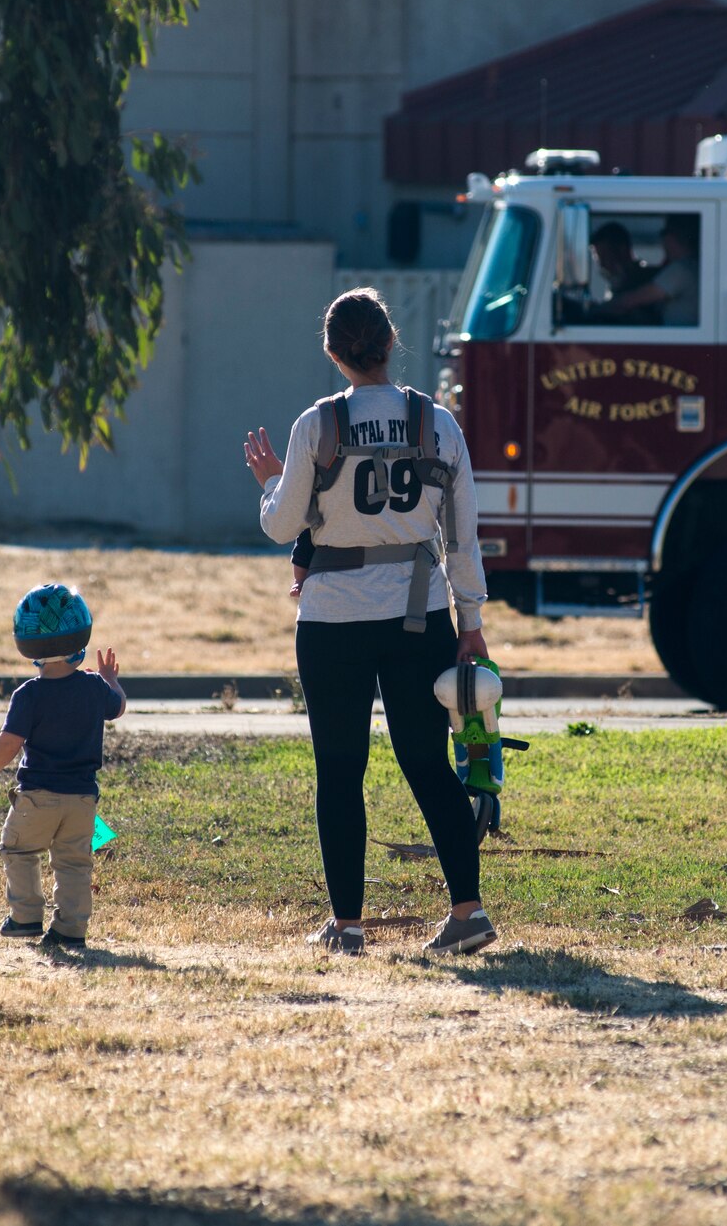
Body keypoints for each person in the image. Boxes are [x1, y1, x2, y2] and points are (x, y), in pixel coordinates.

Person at [244, 287, 498, 957]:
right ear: (390, 343)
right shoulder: (437, 422)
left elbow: (281, 525)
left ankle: (348, 925)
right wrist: (470, 621)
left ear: (333, 351)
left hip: (331, 617)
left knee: (340, 766)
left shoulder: (317, 425)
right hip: (419, 611)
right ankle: (467, 911)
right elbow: (462, 535)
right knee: (427, 761)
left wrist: (272, 480)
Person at [0, 583, 127, 951]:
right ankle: (71, 928)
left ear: (27, 644)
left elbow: (9, 742)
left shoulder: (29, 695)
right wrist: (111, 681)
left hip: (38, 797)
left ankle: (25, 917)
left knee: (19, 851)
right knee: (74, 863)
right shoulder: (93, 687)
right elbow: (117, 708)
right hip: (82, 799)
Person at [594, 214, 699, 326]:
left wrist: (591, 312)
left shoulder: (681, 270)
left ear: (673, 235)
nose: (602, 264)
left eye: (605, 257)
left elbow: (627, 303)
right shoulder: (688, 267)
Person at [587, 221, 660, 325]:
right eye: (599, 259)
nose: (602, 265)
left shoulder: (648, 279)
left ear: (623, 250)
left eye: (605, 257)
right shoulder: (617, 282)